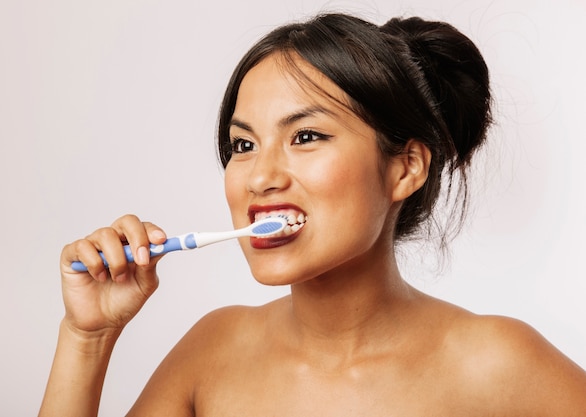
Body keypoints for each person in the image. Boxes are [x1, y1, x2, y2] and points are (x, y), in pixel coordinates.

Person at [39, 12, 586, 416]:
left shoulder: (498, 365)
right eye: (243, 145)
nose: (259, 177)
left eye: (306, 136)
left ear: (405, 169)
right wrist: (87, 336)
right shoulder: (213, 351)